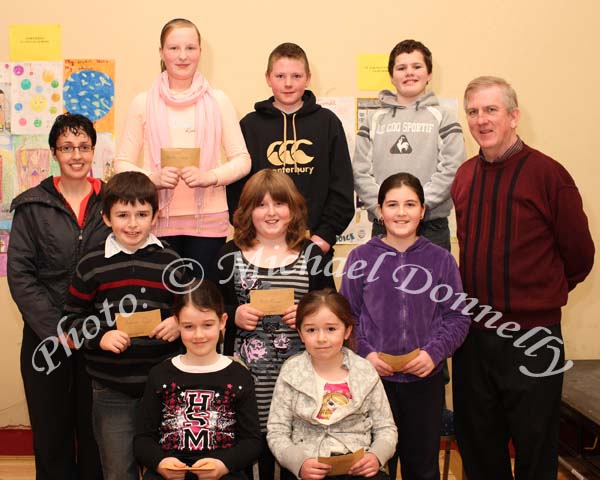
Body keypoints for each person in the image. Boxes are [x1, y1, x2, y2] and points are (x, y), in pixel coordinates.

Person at [451, 76, 595, 480]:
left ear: (514, 116)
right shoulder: (463, 176)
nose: (482, 120)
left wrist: (542, 294)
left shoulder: (549, 175)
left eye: (491, 110)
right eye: (474, 111)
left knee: (535, 445)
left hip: (533, 336)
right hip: (474, 336)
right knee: (478, 444)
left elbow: (580, 254)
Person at [340, 172, 470, 480]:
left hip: (424, 383)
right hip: (373, 383)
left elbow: (458, 317)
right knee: (372, 467)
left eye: (410, 204)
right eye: (393, 204)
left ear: (423, 211)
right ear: (379, 211)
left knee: (422, 466)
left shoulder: (441, 260)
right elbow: (348, 318)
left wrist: (434, 353)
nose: (401, 212)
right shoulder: (360, 258)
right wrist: (367, 355)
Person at [62, 171, 184, 480]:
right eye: (123, 214)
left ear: (155, 216)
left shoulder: (170, 260)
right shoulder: (92, 264)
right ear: (106, 217)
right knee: (118, 471)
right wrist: (100, 337)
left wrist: (179, 322)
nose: (132, 223)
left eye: (142, 214)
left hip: (164, 388)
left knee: (167, 470)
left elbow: (195, 310)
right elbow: (70, 320)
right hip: (111, 389)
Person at [7, 113, 107, 480]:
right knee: (51, 438)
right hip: (45, 341)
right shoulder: (32, 206)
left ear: (93, 150)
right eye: (67, 147)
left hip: (98, 338)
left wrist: (96, 327)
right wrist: (56, 330)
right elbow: (20, 274)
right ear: (54, 152)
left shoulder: (112, 202)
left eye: (83, 147)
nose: (76, 155)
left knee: (97, 437)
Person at [115, 18, 250, 281]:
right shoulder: (142, 103)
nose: (183, 56)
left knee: (203, 299)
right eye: (174, 48)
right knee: (164, 301)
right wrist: (152, 178)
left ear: (200, 51)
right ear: (161, 53)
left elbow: (242, 160)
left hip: (209, 221)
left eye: (190, 48)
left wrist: (210, 177)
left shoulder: (219, 101)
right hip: (155, 218)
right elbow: (121, 163)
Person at [217, 169, 329, 480]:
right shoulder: (229, 255)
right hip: (248, 376)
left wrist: (308, 315)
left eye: (279, 204)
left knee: (297, 448)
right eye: (261, 205)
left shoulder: (311, 254)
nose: (271, 213)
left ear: (293, 209)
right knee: (254, 449)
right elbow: (212, 310)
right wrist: (234, 313)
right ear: (247, 210)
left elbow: (330, 308)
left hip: (301, 376)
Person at [227, 42, 354, 276]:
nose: (288, 83)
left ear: (308, 78)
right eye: (280, 75)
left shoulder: (328, 123)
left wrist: (323, 238)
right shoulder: (249, 126)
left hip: (316, 248)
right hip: (258, 251)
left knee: (313, 312)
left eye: (296, 76)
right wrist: (249, 237)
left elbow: (342, 189)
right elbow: (236, 191)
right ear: (267, 78)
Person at [135, 280, 262, 480]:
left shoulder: (239, 375)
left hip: (223, 474)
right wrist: (160, 462)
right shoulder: (160, 374)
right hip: (170, 472)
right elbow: (143, 439)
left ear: (223, 321)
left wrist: (224, 464)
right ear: (176, 324)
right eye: (189, 326)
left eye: (208, 325)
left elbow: (252, 441)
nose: (199, 335)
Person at [267, 289, 397, 480]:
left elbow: (386, 428)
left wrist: (376, 456)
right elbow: (277, 431)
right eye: (311, 330)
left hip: (356, 467)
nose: (321, 338)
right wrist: (299, 463)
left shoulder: (365, 370)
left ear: (347, 330)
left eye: (331, 329)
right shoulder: (290, 372)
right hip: (308, 466)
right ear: (300, 334)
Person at [352, 39, 465, 251]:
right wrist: (387, 210)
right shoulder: (374, 120)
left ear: (429, 74)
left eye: (417, 66)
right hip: (383, 225)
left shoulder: (444, 118)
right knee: (382, 284)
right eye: (401, 68)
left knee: (433, 284)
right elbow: (360, 172)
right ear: (392, 76)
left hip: (432, 227)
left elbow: (452, 169)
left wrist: (417, 207)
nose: (409, 73)